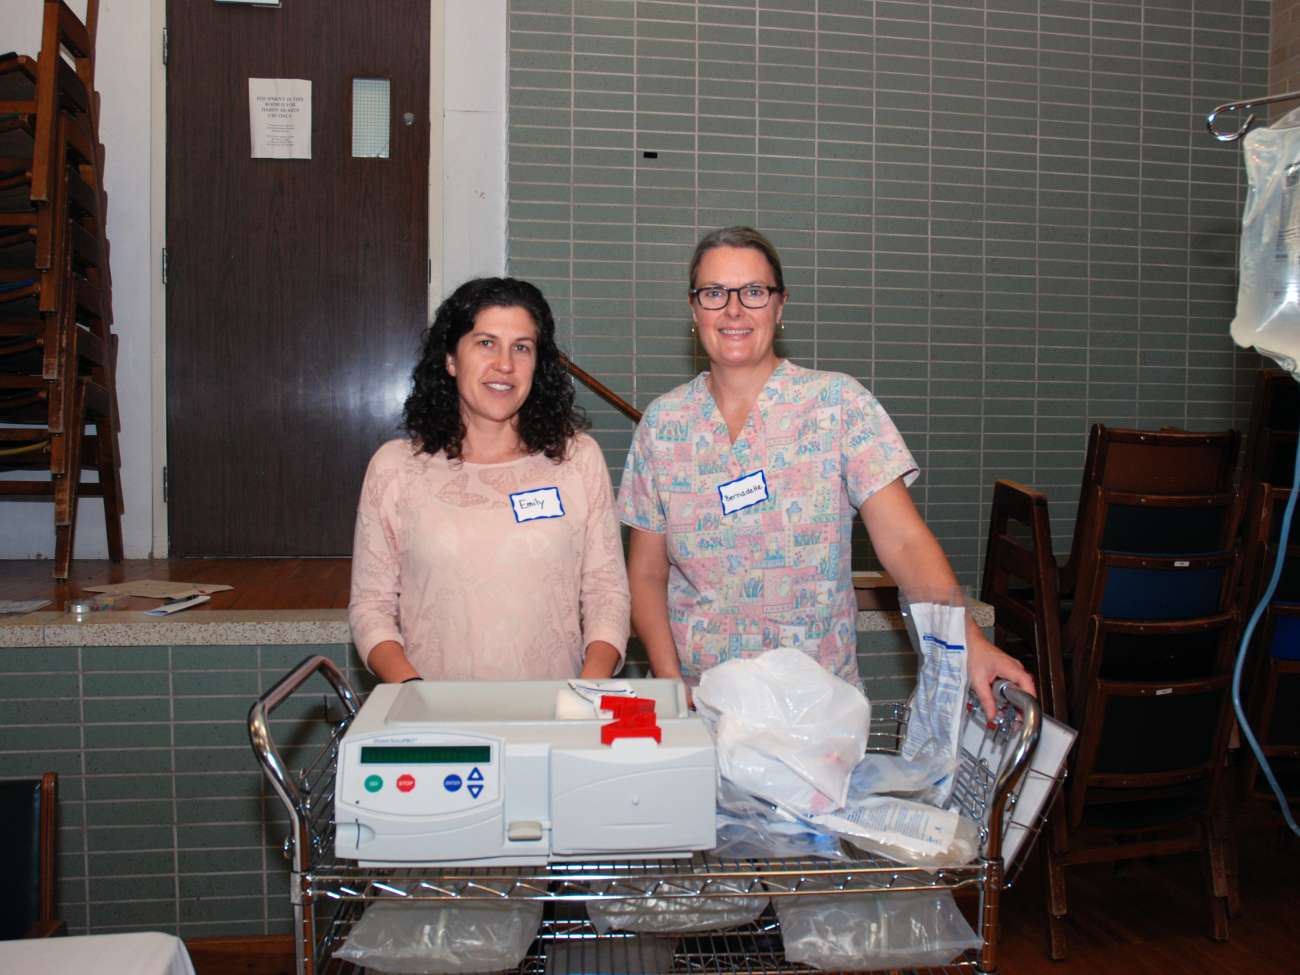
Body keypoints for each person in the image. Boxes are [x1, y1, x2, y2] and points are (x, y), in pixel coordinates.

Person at [617, 227, 1033, 718]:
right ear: (694, 309)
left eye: (753, 292)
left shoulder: (838, 405)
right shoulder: (663, 425)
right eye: (714, 293)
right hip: (703, 706)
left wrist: (969, 643)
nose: (734, 310)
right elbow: (646, 573)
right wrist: (670, 683)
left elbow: (904, 542)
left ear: (780, 304)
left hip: (817, 716)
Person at [349, 277, 630, 683]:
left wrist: (588, 689)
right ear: (450, 359)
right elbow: (371, 606)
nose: (505, 363)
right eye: (485, 343)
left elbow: (607, 593)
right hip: (436, 718)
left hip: (555, 712)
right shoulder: (395, 469)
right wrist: (413, 693)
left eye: (522, 347)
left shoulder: (578, 460)